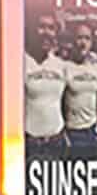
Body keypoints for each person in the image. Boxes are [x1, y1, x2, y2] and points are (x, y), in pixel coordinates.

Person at [22, 13, 67, 148]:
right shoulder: (20, 63)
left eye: (51, 28)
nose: (46, 33)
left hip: (57, 141)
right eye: (41, 27)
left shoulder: (60, 65)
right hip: (30, 143)